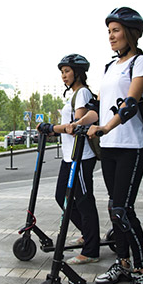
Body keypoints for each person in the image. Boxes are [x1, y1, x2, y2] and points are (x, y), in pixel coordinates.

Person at [71, 7, 143, 284]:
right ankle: (123, 262)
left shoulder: (140, 62)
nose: (111, 36)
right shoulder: (109, 67)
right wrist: (83, 123)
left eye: (116, 30)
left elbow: (130, 103)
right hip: (110, 147)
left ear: (130, 33)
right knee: (112, 209)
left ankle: (142, 271)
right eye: (109, 31)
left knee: (123, 209)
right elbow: (99, 106)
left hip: (131, 146)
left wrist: (105, 127)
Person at [38, 54, 100, 264]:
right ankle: (88, 232)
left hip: (81, 157)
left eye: (67, 71)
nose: (63, 76)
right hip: (70, 157)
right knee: (60, 196)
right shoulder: (74, 95)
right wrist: (53, 131)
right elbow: (67, 128)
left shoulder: (82, 93)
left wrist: (52, 128)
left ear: (78, 73)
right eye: (62, 72)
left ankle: (91, 250)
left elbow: (75, 127)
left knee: (84, 200)